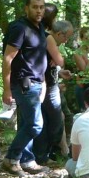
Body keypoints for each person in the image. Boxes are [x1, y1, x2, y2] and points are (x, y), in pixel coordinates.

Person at [0, 0, 50, 176]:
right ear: (26, 8)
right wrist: (6, 89)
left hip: (37, 83)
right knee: (35, 125)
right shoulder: (19, 28)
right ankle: (11, 159)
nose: (39, 11)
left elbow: (39, 57)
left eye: (41, 7)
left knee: (27, 123)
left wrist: (43, 82)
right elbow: (7, 58)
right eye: (35, 7)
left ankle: (26, 160)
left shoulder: (39, 27)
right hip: (23, 84)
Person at [33, 18, 75, 164]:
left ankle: (48, 153)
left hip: (51, 84)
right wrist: (58, 61)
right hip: (47, 87)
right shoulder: (48, 37)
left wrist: (59, 71)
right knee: (55, 121)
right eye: (66, 37)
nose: (65, 41)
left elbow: (54, 62)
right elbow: (61, 60)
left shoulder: (47, 38)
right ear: (59, 34)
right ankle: (48, 153)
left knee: (55, 120)